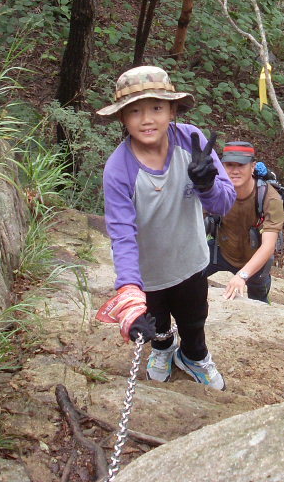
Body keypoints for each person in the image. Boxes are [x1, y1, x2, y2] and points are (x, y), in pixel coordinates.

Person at [95, 65, 235, 390]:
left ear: (172, 110)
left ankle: (194, 355)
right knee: (157, 326)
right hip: (148, 272)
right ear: (122, 118)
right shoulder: (119, 169)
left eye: (157, 108)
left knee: (194, 319)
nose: (147, 119)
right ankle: (163, 348)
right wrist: (129, 292)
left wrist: (207, 185)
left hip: (191, 260)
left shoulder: (193, 142)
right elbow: (122, 233)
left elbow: (224, 204)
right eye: (135, 111)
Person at [204, 140, 284, 304]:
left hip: (255, 259)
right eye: (229, 165)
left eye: (241, 165)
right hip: (221, 252)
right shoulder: (215, 190)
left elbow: (268, 246)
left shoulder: (269, 197)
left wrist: (242, 275)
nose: (234, 171)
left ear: (252, 166)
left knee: (259, 300)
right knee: (188, 275)